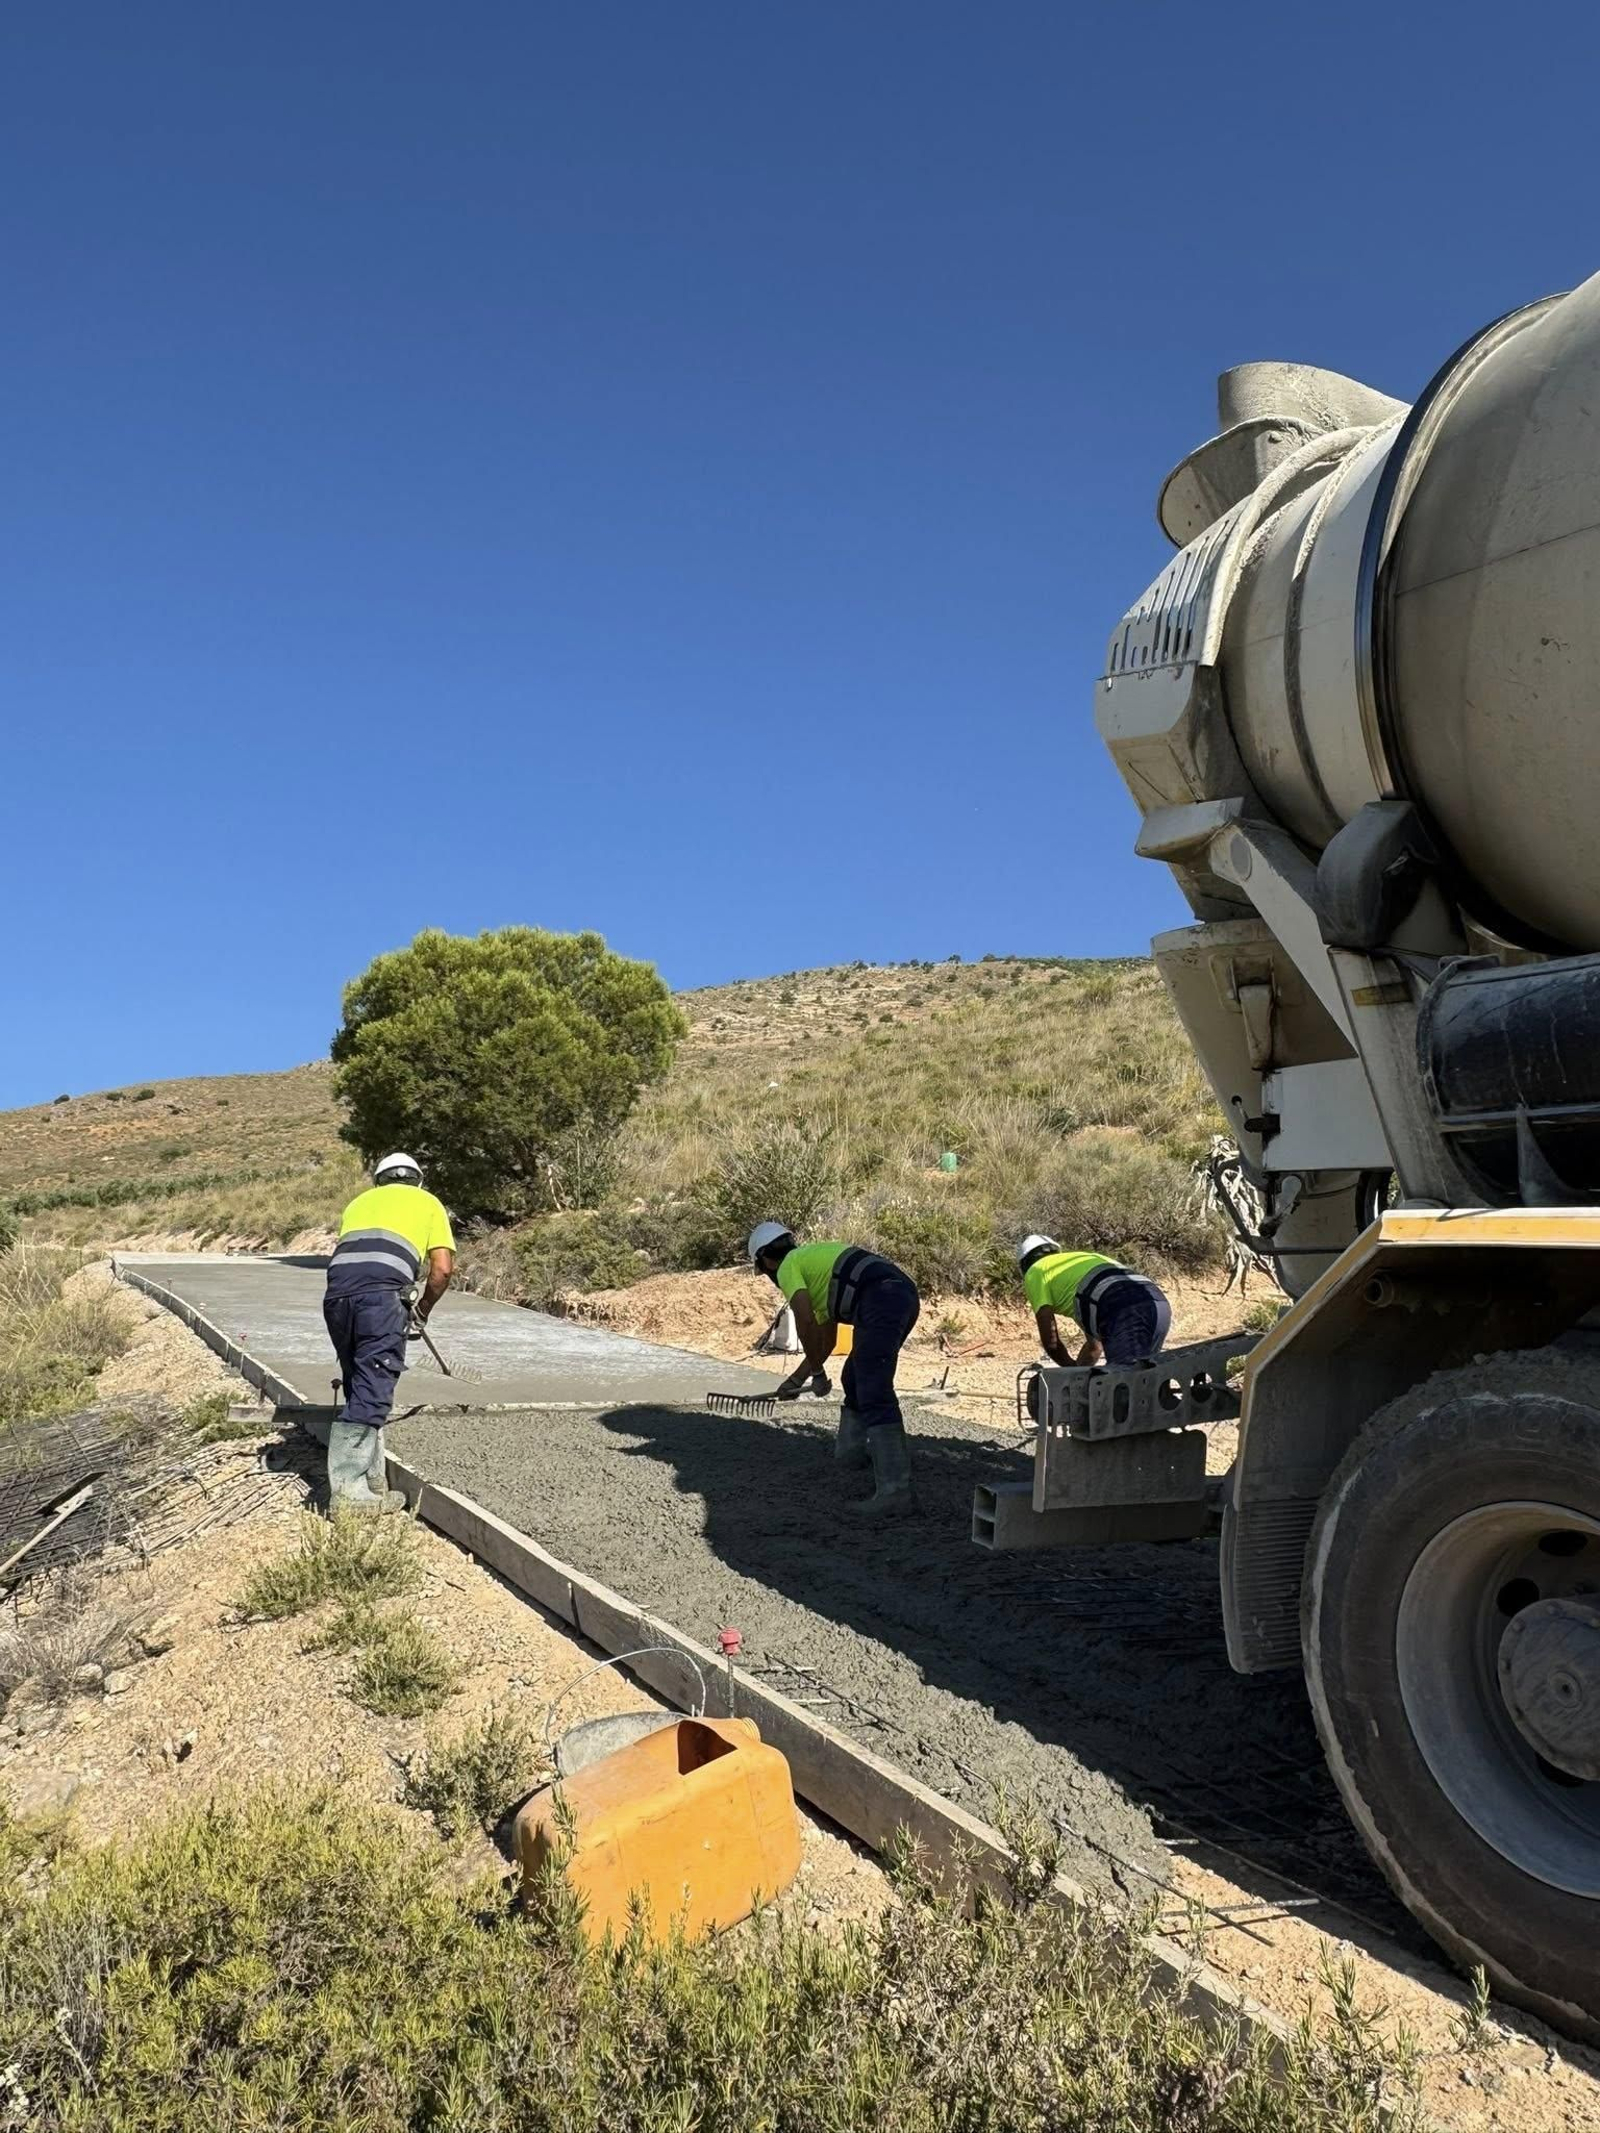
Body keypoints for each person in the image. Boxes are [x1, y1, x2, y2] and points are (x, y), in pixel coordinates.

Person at [747, 1222, 921, 1518]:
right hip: (900, 1295)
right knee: (853, 1376)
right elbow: (826, 1338)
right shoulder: (815, 1265)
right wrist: (798, 1378)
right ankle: (851, 1455)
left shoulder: (790, 1266)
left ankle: (895, 1492)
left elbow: (804, 1321)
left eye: (763, 1271)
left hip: (881, 1298)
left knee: (873, 1386)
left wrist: (817, 1374)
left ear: (765, 1259)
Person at [323, 1153, 455, 1512]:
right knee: (375, 1386)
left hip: (336, 1296)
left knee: (359, 1383)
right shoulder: (428, 1202)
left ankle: (373, 1483)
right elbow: (441, 1270)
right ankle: (349, 1495)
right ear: (418, 1180)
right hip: (380, 1300)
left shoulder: (359, 1202)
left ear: (379, 1180)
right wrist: (421, 1311)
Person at [1016, 1235, 1171, 1368]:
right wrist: (1078, 1374)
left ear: (1024, 1264)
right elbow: (1094, 1347)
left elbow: (1051, 1341)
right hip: (1157, 1300)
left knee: (1124, 1385)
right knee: (1148, 1377)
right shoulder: (1080, 1261)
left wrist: (1070, 1373)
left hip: (1118, 1304)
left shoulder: (1035, 1271)